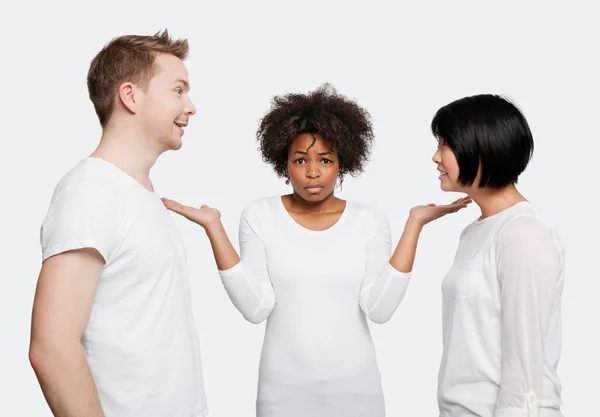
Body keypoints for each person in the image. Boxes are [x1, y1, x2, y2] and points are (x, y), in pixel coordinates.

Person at [162, 84, 470, 417]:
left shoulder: (369, 220)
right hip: (282, 394)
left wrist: (415, 223)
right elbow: (256, 307)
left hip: (357, 395)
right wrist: (213, 227)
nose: (312, 172)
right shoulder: (260, 215)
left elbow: (380, 309)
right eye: (299, 160)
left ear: (342, 163)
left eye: (325, 160)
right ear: (284, 163)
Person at [29, 30, 208, 417]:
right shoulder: (91, 192)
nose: (191, 106)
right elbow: (51, 349)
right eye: (178, 90)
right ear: (130, 96)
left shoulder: (138, 194)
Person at [431, 94, 565, 417]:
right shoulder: (475, 232)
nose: (435, 157)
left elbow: (523, 364)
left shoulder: (523, 233)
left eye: (446, 144)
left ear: (481, 148)